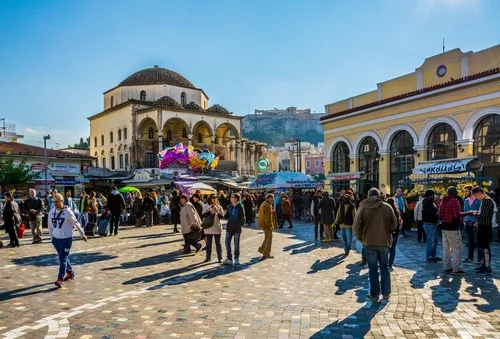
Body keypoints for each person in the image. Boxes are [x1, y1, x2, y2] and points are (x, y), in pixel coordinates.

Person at [353, 188, 398, 302]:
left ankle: (375, 295)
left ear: (368, 195)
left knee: (372, 269)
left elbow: (356, 226)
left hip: (369, 242)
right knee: (384, 268)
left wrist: (361, 238)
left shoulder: (363, 207)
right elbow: (394, 224)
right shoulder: (387, 207)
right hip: (384, 241)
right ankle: (386, 293)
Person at [48, 193, 87, 288]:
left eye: (57, 202)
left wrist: (82, 234)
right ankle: (70, 272)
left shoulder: (68, 212)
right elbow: (50, 226)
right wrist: (51, 237)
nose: (55, 204)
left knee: (63, 258)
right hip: (56, 239)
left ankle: (60, 278)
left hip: (66, 239)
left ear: (62, 201)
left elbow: (76, 223)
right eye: (54, 202)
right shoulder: (51, 211)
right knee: (62, 257)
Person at [439, 186, 466, 275]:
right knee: (456, 248)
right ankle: (456, 268)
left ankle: (447, 267)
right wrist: (467, 213)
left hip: (444, 226)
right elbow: (456, 215)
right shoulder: (454, 201)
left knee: (446, 249)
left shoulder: (444, 200)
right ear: (455, 193)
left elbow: (440, 213)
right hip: (452, 227)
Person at [472, 186, 495, 275]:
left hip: (485, 227)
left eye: (476, 195)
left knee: (485, 247)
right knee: (481, 246)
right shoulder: (484, 201)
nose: (476, 198)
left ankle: (487, 266)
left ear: (479, 193)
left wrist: (474, 214)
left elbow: (483, 215)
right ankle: (484, 264)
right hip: (482, 226)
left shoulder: (487, 200)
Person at [223, 193, 245, 265]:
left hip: (237, 228)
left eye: (232, 197)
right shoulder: (229, 206)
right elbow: (226, 216)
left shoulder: (240, 207)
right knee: (227, 243)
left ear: (236, 198)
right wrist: (219, 213)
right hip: (229, 227)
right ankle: (229, 258)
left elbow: (243, 219)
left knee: (236, 244)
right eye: (231, 197)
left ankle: (236, 258)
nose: (230, 198)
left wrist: (238, 225)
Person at [202, 194, 224, 263]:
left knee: (218, 243)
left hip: (217, 227)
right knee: (208, 243)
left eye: (216, 198)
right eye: (213, 198)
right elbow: (203, 215)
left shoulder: (219, 207)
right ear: (210, 198)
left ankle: (220, 258)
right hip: (208, 227)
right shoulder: (205, 206)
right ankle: (208, 257)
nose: (214, 199)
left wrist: (217, 211)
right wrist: (211, 210)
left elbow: (222, 217)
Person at [463, 185, 482, 263]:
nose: (465, 193)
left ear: (471, 191)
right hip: (467, 222)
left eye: (466, 191)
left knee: (478, 241)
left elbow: (480, 212)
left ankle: (480, 258)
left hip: (475, 223)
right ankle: (470, 257)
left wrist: (477, 222)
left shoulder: (478, 200)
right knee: (469, 241)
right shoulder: (466, 200)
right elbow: (465, 211)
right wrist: (464, 220)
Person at [334, 190, 356, 256]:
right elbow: (338, 214)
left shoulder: (352, 206)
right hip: (342, 224)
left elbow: (354, 216)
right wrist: (336, 222)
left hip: (349, 225)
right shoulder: (341, 205)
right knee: (344, 238)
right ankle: (346, 248)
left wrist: (355, 224)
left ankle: (347, 249)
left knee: (349, 239)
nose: (344, 200)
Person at [422, 189, 441, 263]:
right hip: (429, 224)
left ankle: (433, 255)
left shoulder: (430, 202)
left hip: (432, 224)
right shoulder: (427, 203)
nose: (435, 196)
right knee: (431, 241)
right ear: (431, 195)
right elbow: (431, 213)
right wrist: (436, 213)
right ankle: (429, 256)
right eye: (433, 195)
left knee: (435, 241)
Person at [258, 193, 277, 260]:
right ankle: (266, 254)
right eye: (272, 198)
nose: (273, 200)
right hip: (266, 225)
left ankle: (262, 248)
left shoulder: (264, 203)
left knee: (267, 237)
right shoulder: (267, 205)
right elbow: (268, 217)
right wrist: (270, 225)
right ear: (268, 198)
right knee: (269, 239)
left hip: (263, 224)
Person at [386, 198, 402, 271]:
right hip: (395, 232)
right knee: (392, 249)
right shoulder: (397, 211)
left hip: (386, 232)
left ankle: (384, 264)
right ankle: (390, 265)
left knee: (385, 249)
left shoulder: (385, 211)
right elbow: (400, 222)